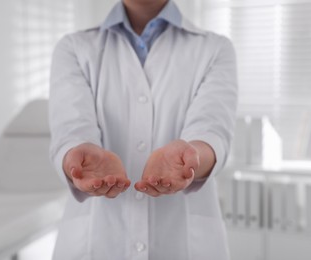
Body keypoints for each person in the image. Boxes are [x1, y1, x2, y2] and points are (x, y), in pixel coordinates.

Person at [49, 0, 237, 259]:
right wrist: (79, 155)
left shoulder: (215, 49)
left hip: (184, 244)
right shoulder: (73, 48)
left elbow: (212, 128)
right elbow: (71, 128)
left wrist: (191, 155)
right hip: (96, 242)